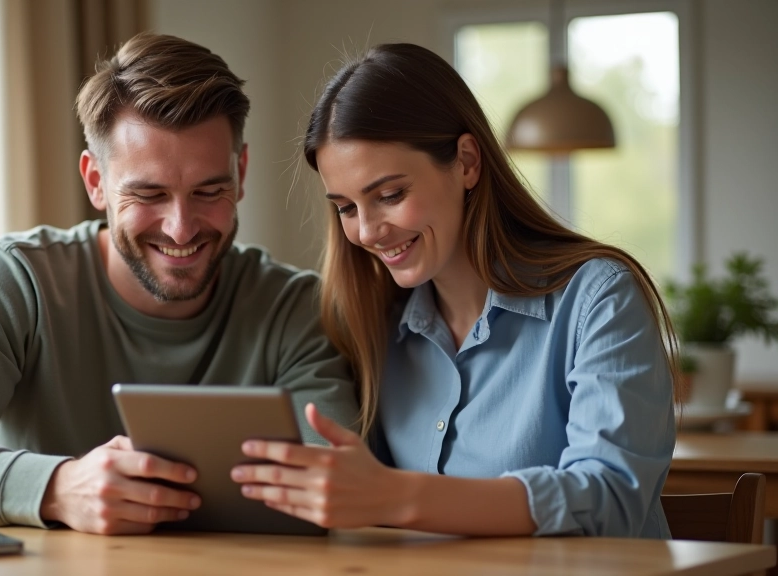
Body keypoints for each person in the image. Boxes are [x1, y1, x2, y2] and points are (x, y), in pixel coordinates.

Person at [0, 32, 358, 536]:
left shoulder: (295, 308)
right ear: (95, 181)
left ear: (241, 171)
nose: (181, 227)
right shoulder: (16, 282)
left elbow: (337, 476)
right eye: (149, 194)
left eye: (209, 190)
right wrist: (59, 485)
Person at [230, 43, 679, 538]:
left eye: (389, 195)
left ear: (466, 162)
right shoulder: (371, 323)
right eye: (346, 207)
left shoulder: (598, 299)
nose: (367, 231)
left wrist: (394, 495)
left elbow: (609, 498)